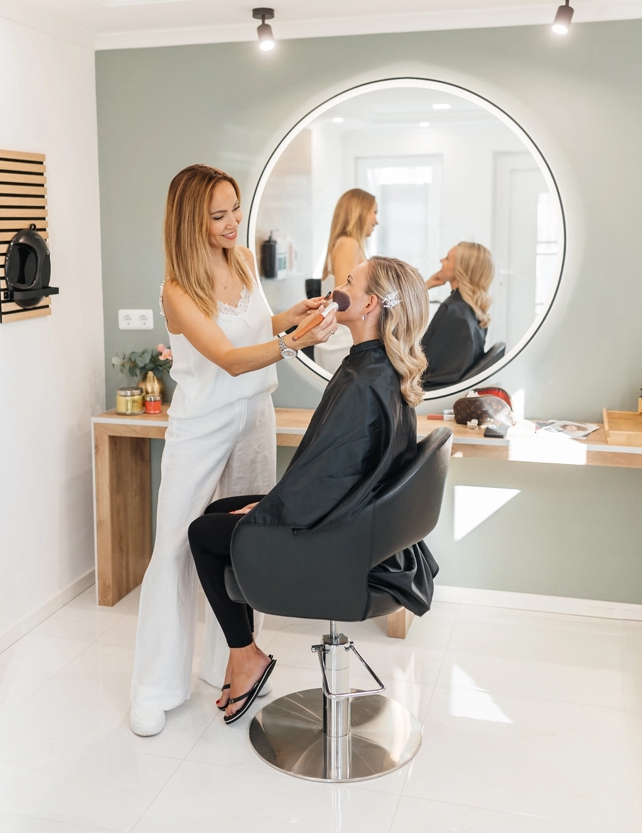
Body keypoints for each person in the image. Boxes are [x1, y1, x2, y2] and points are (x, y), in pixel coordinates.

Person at [129, 164, 338, 738]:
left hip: (255, 415)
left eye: (236, 210)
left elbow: (254, 329)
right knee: (173, 548)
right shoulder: (177, 290)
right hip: (203, 425)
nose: (232, 223)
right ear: (190, 220)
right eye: (218, 215)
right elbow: (226, 356)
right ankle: (154, 687)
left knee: (247, 543)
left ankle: (235, 658)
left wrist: (288, 320)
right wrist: (293, 343)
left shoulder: (243, 261)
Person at [188, 256, 439, 723]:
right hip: (366, 533)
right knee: (224, 507)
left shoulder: (365, 380)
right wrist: (266, 505)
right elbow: (335, 473)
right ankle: (245, 653)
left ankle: (245, 655)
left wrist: (267, 514)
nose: (336, 285)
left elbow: (328, 479)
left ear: (366, 303)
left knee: (204, 533)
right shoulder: (377, 370)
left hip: (336, 546)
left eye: (347, 281)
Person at [314, 188, 378, 372]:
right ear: (358, 212)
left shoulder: (345, 244)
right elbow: (346, 301)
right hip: (341, 343)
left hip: (339, 340)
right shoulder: (348, 245)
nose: (376, 220)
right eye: (374, 212)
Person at [422, 241, 495, 389]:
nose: (441, 261)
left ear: (461, 269)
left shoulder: (453, 312)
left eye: (447, 258)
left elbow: (425, 366)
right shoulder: (472, 312)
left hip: (428, 393)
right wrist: (425, 285)